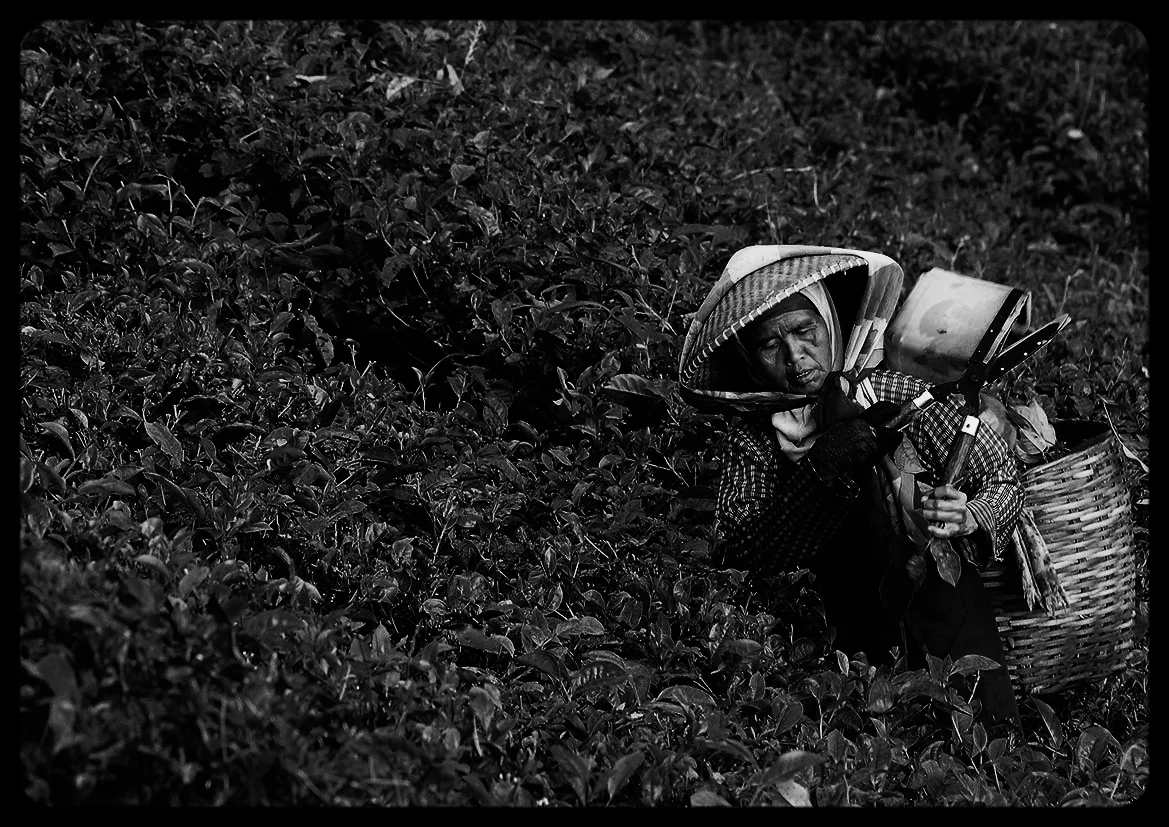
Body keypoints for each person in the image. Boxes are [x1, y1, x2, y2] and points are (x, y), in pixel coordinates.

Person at [679, 246, 1022, 726]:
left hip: (944, 611)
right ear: (749, 358)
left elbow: (1002, 475)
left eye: (805, 331)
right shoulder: (754, 439)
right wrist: (824, 464)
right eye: (770, 344)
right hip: (840, 643)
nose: (795, 356)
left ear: (829, 321)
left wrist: (970, 514)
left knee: (984, 736)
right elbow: (739, 548)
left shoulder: (891, 391)